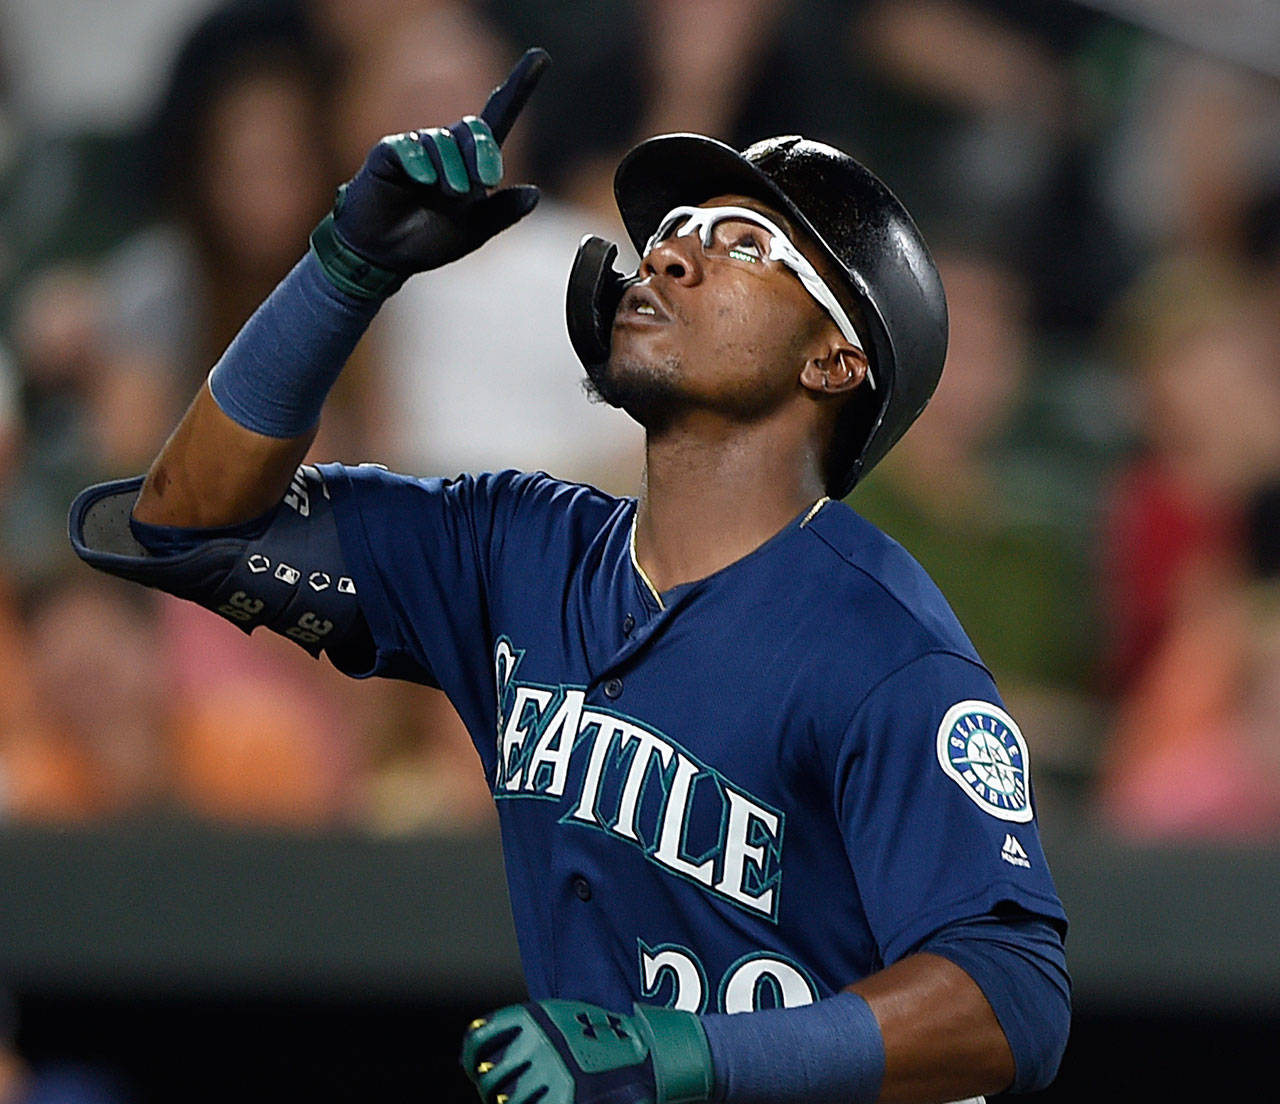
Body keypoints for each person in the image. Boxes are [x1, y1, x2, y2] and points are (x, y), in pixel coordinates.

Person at [69, 49, 1069, 1104]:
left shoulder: (885, 644)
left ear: (833, 360)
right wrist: (347, 267)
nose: (671, 255)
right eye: (670, 234)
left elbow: (1013, 999)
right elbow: (188, 520)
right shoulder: (515, 547)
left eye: (742, 246)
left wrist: (681, 1055)